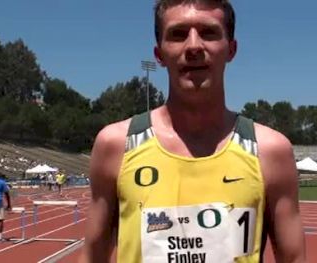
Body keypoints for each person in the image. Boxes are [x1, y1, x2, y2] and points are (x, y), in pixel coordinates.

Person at [84, 1, 305, 262]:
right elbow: (92, 257)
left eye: (208, 32)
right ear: (159, 54)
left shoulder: (270, 150)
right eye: (178, 34)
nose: (193, 46)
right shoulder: (116, 144)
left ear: (231, 49)